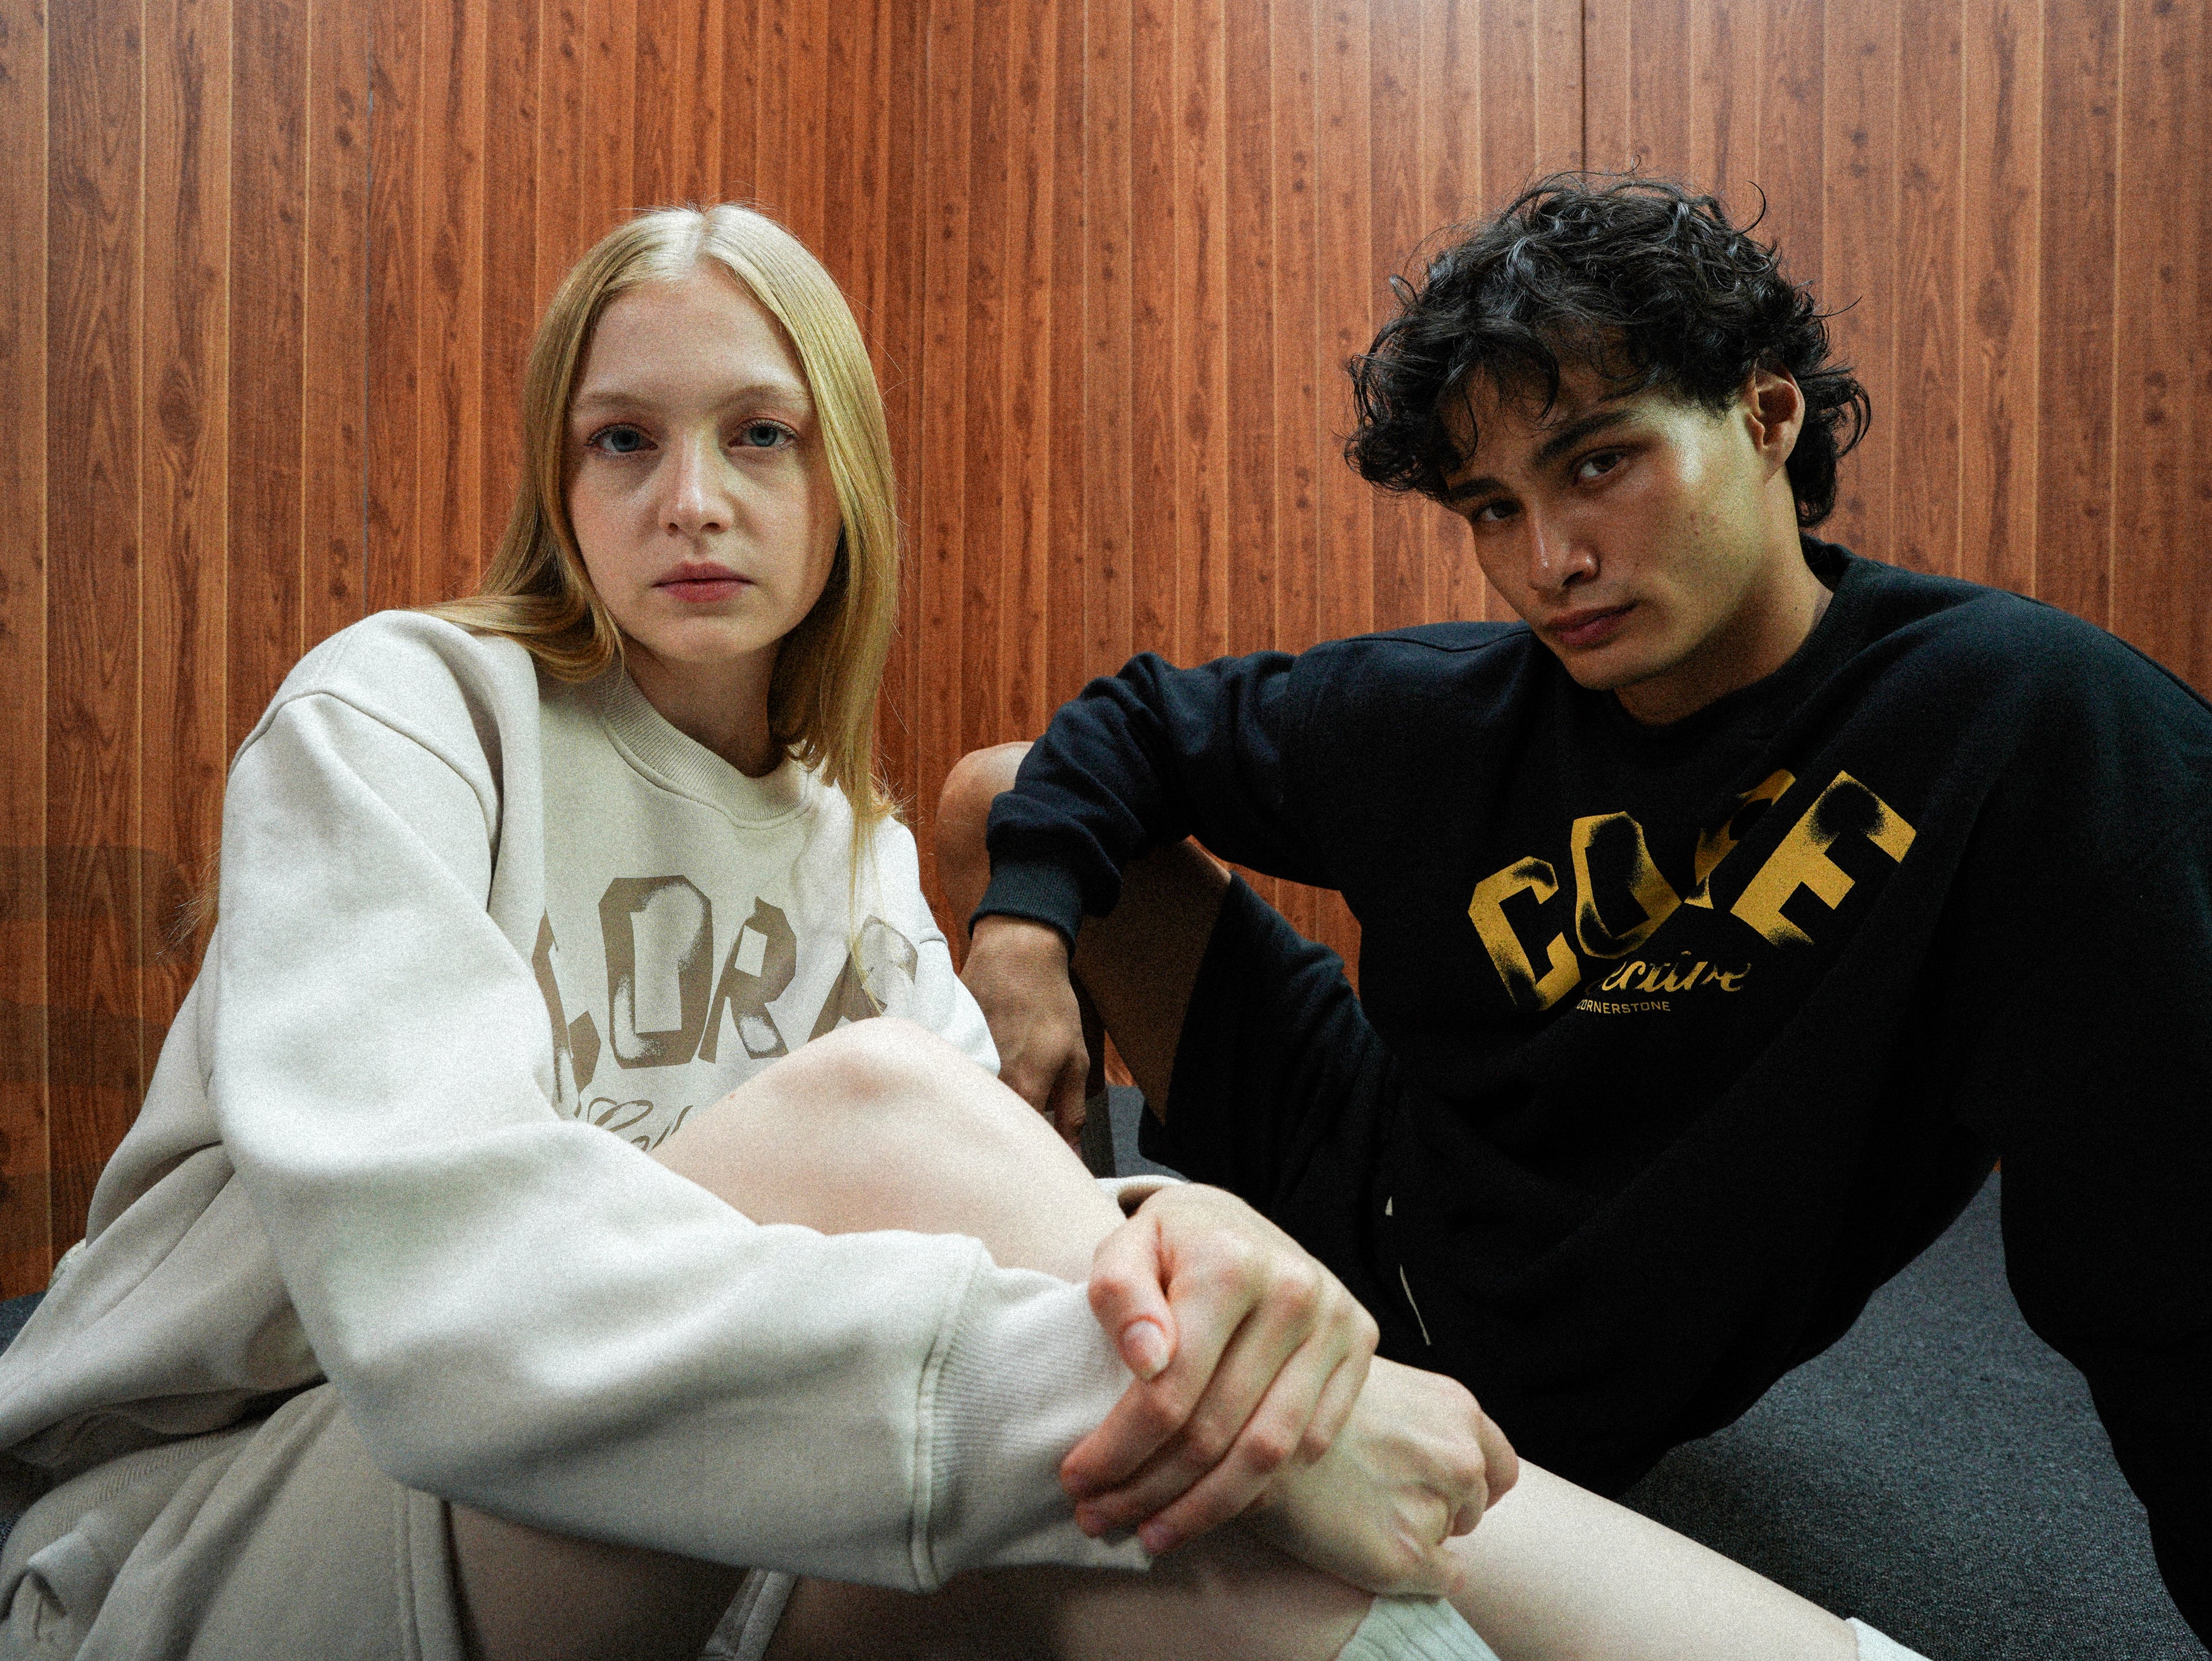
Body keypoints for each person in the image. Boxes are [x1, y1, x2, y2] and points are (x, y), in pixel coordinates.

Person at [0, 200, 1912, 1661]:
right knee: (906, 1140)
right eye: (622, 442)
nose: (692, 500)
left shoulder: (842, 837)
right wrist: (1207, 1383)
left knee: (1189, 1543)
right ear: (557, 484)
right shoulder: (404, 716)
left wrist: (1192, 1252)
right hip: (235, 1543)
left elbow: (1022, 1229)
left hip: (708, 1506)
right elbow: (443, 1319)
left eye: (761, 436)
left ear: (842, 478)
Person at [944, 174, 2212, 1647]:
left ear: (1769, 415)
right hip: (1371, 1190)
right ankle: (1099, 1352)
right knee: (1004, 800)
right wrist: (1021, 938)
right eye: (1495, 508)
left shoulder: (2020, 728)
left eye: (1600, 462)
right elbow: (1135, 726)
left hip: (1585, 1370)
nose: (1550, 560)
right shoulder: (1449, 713)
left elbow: (2168, 1270)